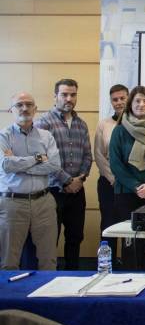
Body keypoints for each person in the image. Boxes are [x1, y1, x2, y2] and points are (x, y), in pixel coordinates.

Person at [109, 85, 145, 270]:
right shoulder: (119, 131)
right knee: (130, 242)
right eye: (137, 101)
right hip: (126, 194)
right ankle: (131, 278)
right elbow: (116, 164)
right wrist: (135, 186)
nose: (141, 104)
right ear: (130, 104)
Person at [0, 92, 62, 270]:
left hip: (44, 203)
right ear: (11, 110)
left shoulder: (46, 136)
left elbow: (54, 165)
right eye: (19, 105)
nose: (24, 108)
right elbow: (6, 165)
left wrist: (19, 164)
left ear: (35, 109)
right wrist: (38, 158)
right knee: (8, 261)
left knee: (48, 260)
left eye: (29, 104)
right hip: (12, 204)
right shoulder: (3, 136)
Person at [35, 78, 92, 270]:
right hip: (53, 191)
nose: (69, 98)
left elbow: (87, 156)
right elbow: (43, 158)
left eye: (73, 95)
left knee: (75, 237)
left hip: (77, 191)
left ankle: (73, 275)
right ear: (55, 96)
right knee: (51, 238)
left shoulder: (81, 124)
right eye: (64, 94)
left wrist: (80, 179)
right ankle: (51, 278)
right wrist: (67, 180)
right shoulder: (43, 123)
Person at [93, 84, 128, 266]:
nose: (119, 102)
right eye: (115, 99)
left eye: (123, 98)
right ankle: (108, 265)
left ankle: (130, 265)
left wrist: (128, 180)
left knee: (129, 227)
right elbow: (99, 155)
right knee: (109, 225)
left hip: (131, 186)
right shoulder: (104, 124)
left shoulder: (138, 123)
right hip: (109, 183)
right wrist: (114, 179)